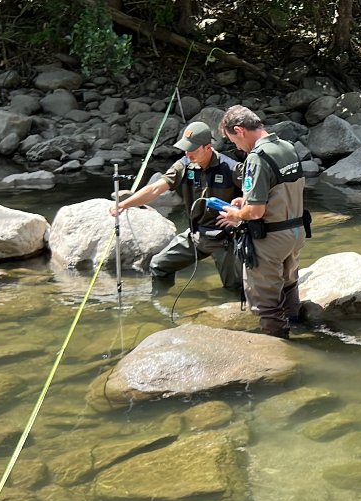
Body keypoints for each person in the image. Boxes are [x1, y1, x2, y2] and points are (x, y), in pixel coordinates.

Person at [111, 120, 244, 293]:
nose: (188, 154)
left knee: (234, 288)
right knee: (159, 265)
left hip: (225, 240)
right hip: (196, 235)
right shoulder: (184, 165)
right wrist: (123, 205)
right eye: (186, 150)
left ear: (208, 148)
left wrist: (239, 214)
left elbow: (257, 194)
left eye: (193, 150)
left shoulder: (231, 168)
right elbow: (155, 188)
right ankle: (160, 303)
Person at [215, 105, 307, 338]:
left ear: (239, 130)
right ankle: (297, 328)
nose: (235, 146)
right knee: (288, 284)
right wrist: (244, 199)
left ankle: (278, 349)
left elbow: (255, 212)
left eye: (232, 140)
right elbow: (281, 191)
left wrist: (235, 214)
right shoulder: (286, 147)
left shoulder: (257, 158)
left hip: (271, 238)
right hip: (296, 232)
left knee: (265, 302)